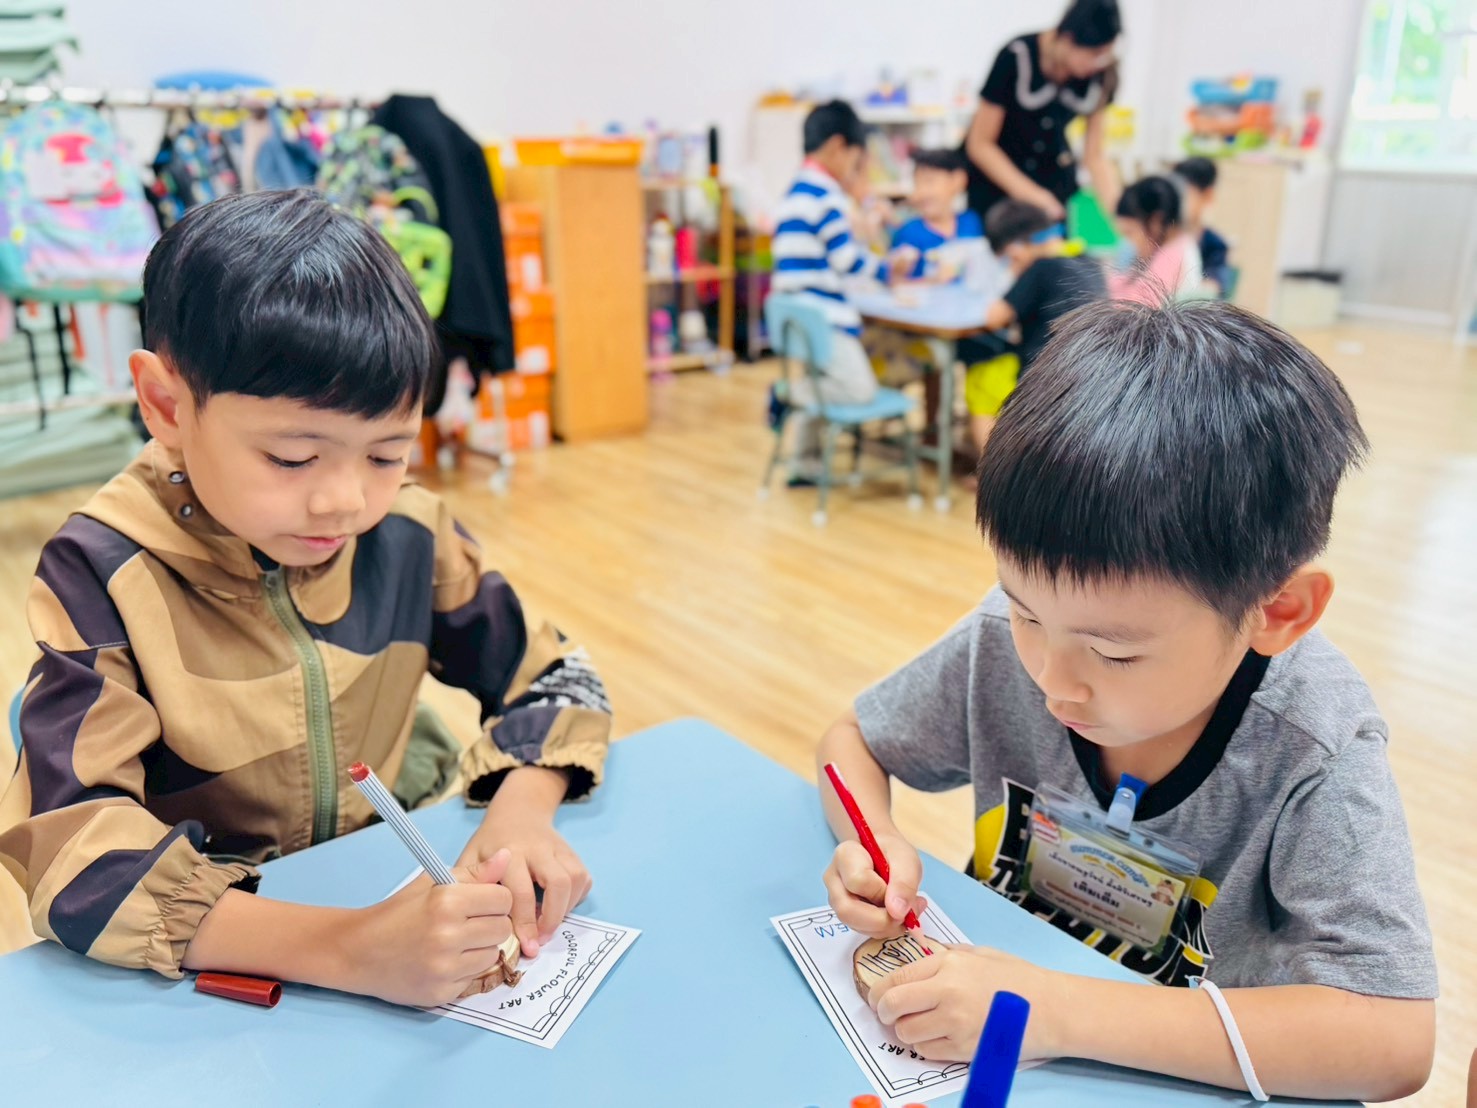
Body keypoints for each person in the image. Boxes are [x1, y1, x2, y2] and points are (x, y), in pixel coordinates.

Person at [0, 190, 613, 1008]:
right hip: (209, 963)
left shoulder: (408, 533)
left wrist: (522, 815)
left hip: (383, 881)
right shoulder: (103, 571)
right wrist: (351, 950)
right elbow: (73, 853)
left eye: (387, 454)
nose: (345, 503)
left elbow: (559, 677)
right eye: (292, 458)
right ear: (166, 405)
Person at [817, 300, 1436, 1101]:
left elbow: (1393, 1038)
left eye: (1114, 653)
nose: (1053, 679)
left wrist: (1054, 1011)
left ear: (1277, 610)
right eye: (1025, 611)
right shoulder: (1006, 643)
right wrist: (873, 840)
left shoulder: (1311, 743)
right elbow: (852, 741)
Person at [771, 99, 885, 484]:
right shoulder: (826, 195)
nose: (854, 168)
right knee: (857, 389)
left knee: (821, 377)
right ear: (839, 147)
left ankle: (804, 464)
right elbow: (847, 261)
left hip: (799, 315)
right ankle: (786, 393)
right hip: (823, 318)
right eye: (855, 158)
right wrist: (890, 270)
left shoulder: (796, 191)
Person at [958, 199, 1105, 453]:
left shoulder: (1041, 267)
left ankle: (990, 466)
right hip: (1092, 371)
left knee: (980, 374)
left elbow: (995, 317)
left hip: (1043, 374)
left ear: (1016, 248)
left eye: (1010, 259)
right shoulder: (1090, 261)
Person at [962, 0, 1123, 228]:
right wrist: (1031, 195)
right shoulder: (1016, 56)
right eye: (1094, 53)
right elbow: (980, 144)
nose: (1097, 63)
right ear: (1066, 38)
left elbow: (1094, 156)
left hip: (1053, 182)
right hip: (998, 187)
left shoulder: (1100, 75)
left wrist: (1122, 216)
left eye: (1105, 54)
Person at [888, 149, 984, 283]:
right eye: (917, 184)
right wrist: (933, 281)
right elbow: (896, 283)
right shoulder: (909, 233)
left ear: (958, 180)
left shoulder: (971, 222)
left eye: (930, 181)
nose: (923, 192)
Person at [1108, 175, 1202, 305]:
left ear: (1155, 222)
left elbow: (1139, 307)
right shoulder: (1166, 248)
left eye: (1129, 232)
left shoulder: (1173, 254)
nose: (1127, 242)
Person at [1174, 156, 1233, 297]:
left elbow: (1215, 288)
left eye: (1184, 195)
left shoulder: (1214, 244)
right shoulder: (1161, 235)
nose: (1176, 202)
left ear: (1207, 195)